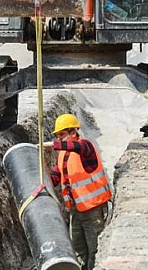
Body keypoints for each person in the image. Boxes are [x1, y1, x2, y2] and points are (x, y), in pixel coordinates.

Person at [44, 114, 112, 270]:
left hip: (93, 209)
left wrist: (53, 145)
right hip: (75, 210)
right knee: (78, 248)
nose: (59, 139)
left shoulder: (85, 147)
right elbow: (56, 176)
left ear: (73, 132)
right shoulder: (63, 155)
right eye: (57, 136)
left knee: (95, 248)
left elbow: (78, 148)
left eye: (62, 134)